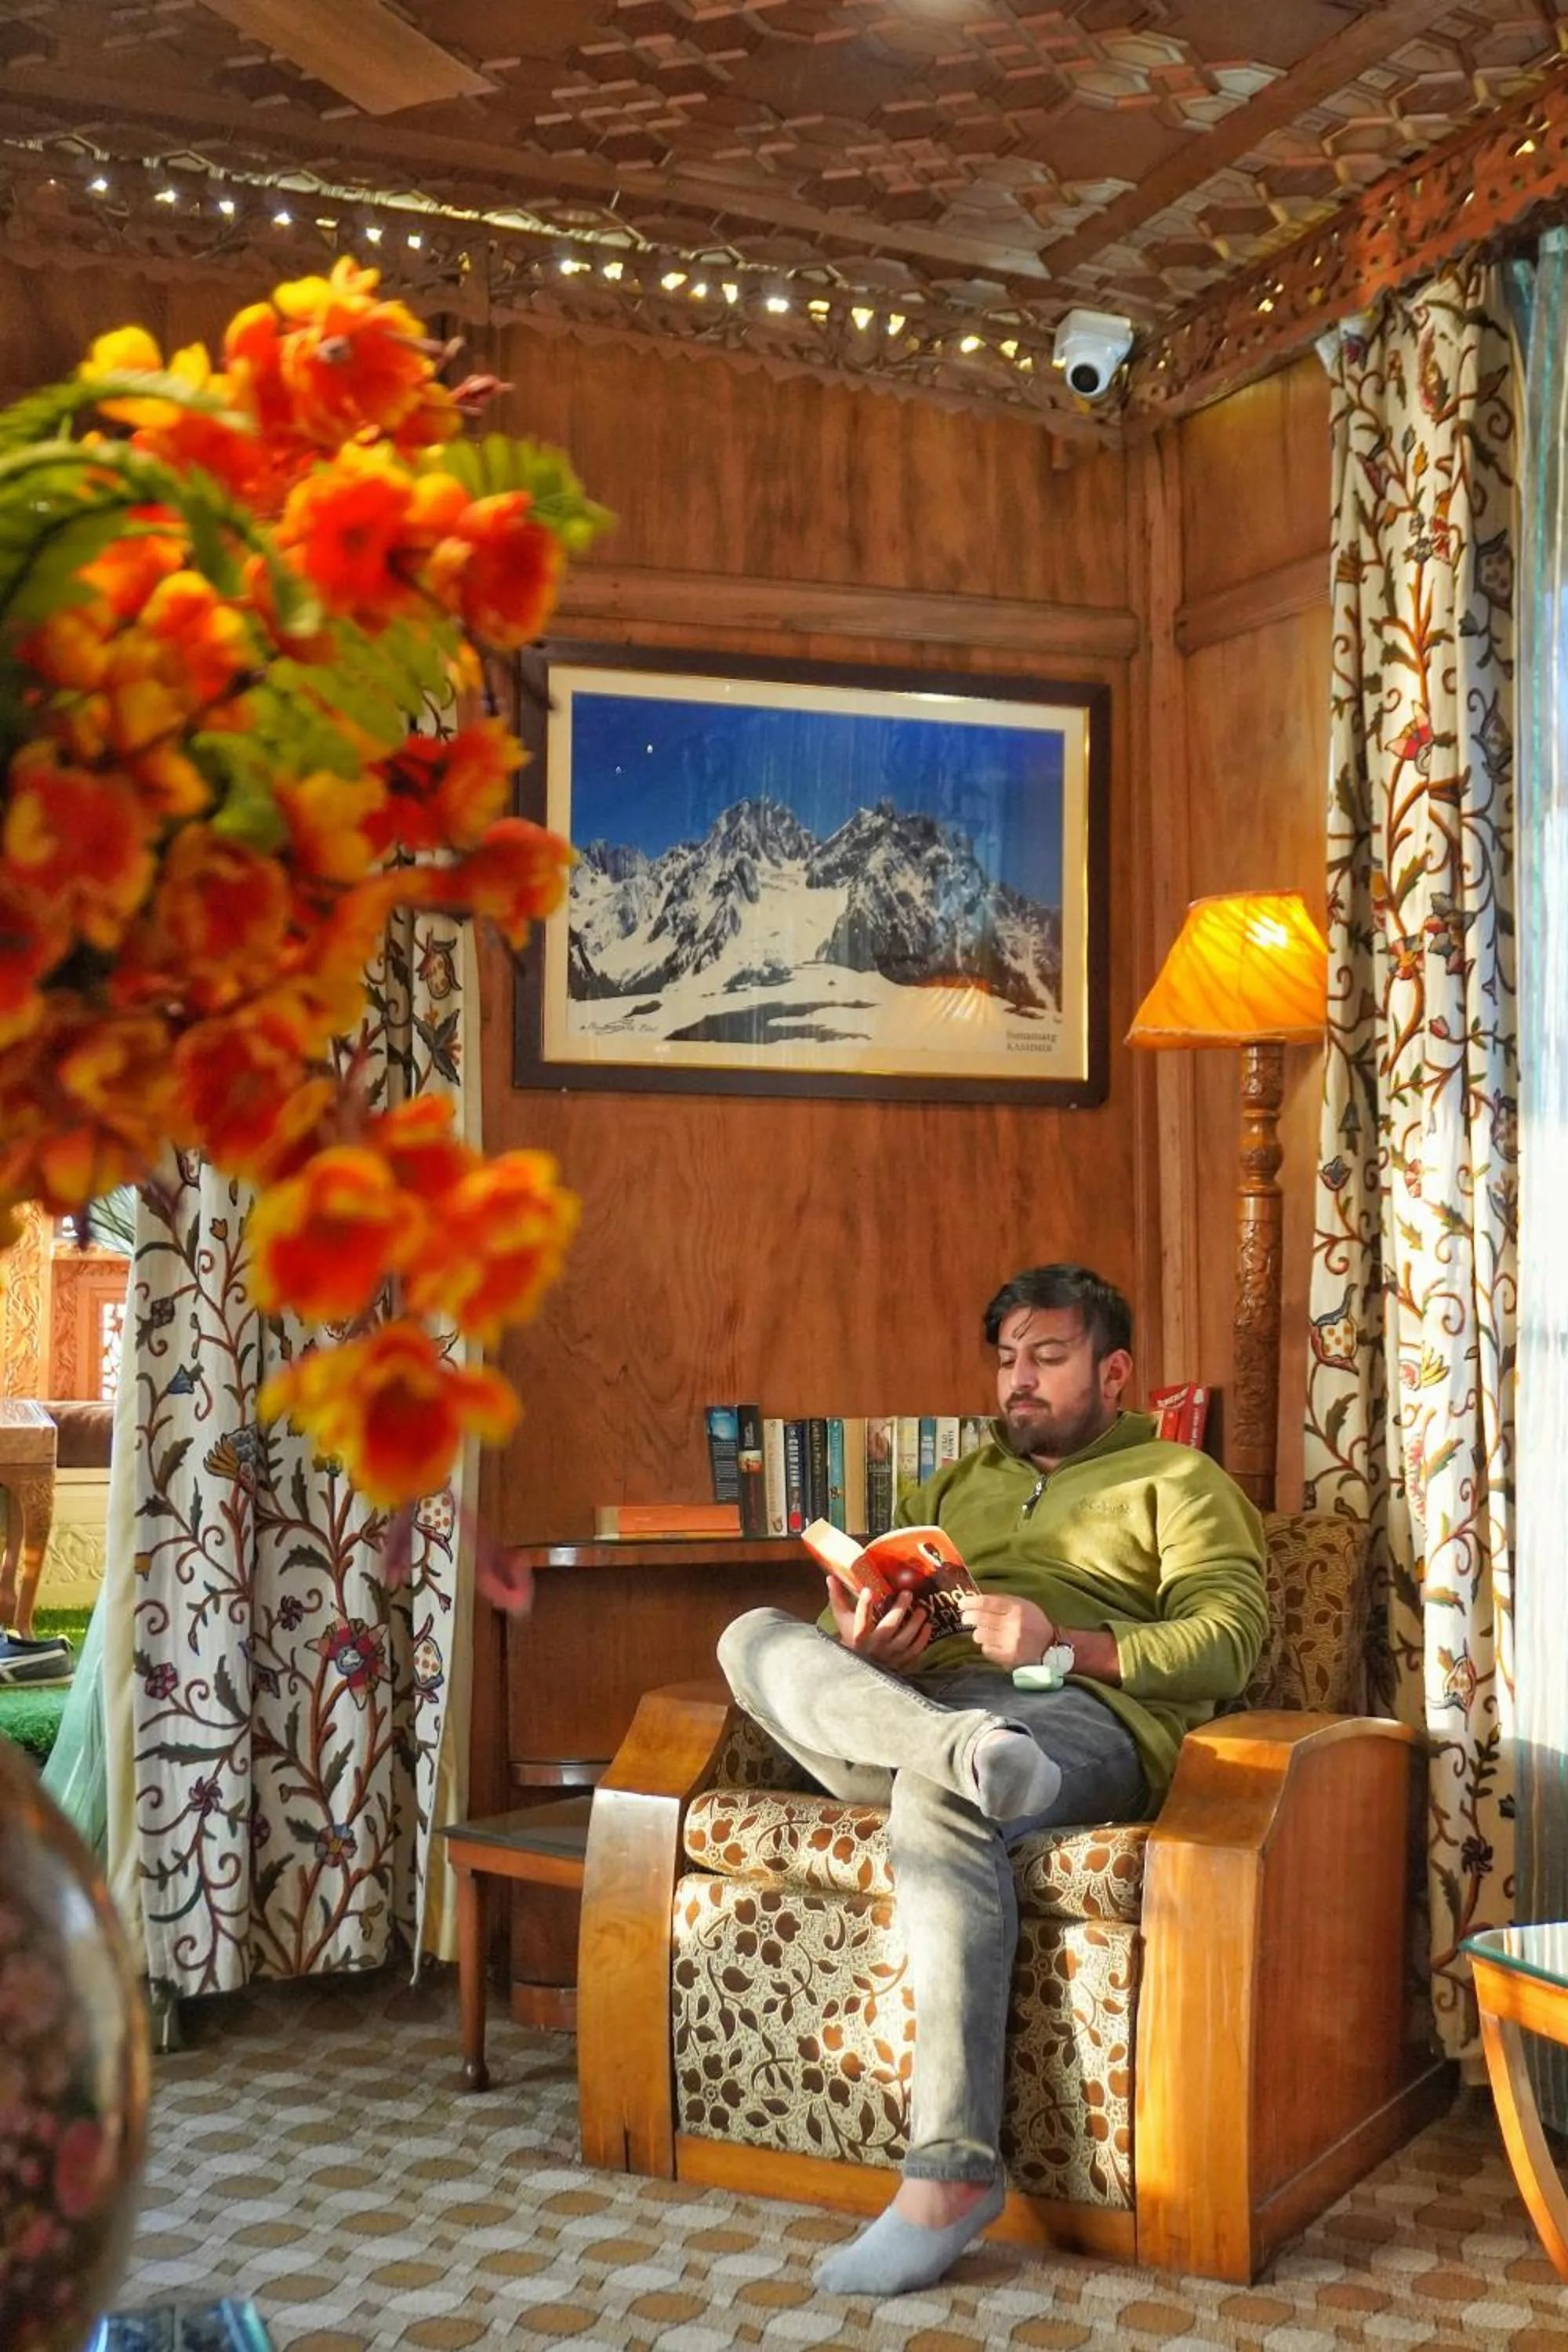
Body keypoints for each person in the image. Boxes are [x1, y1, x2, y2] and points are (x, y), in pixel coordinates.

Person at [716, 1262, 1269, 2299]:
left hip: (1080, 1719)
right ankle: (961, 1752)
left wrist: (1063, 1644)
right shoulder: (953, 1486)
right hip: (934, 1710)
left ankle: (947, 2180)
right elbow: (886, 1622)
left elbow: (1229, 1644)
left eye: (1047, 1358)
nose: (1019, 1380)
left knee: (941, 1792)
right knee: (753, 1636)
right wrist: (871, 1649)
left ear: (1115, 1373)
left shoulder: (1183, 1485)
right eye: (1008, 1359)